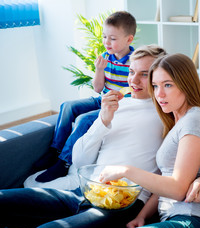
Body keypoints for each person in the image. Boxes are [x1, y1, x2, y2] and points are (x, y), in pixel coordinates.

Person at [0, 45, 200, 228]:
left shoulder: (175, 114)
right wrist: (103, 121)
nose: (135, 80)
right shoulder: (123, 106)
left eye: (145, 75)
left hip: (123, 203)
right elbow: (80, 159)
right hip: (86, 191)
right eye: (132, 72)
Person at [96, 53, 200, 228]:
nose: (159, 94)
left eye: (168, 85)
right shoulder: (177, 121)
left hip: (192, 222)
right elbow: (166, 179)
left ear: (186, 84)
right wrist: (142, 216)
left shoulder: (195, 119)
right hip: (171, 220)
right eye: (155, 86)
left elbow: (177, 189)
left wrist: (125, 170)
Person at [33, 11, 137, 183]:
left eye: (112, 38)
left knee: (83, 120)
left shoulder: (134, 62)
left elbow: (136, 90)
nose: (106, 42)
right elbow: (97, 88)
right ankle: (55, 151)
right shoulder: (105, 58)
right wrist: (99, 69)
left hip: (116, 106)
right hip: (101, 99)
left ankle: (63, 162)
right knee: (68, 106)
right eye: (105, 37)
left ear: (129, 39)